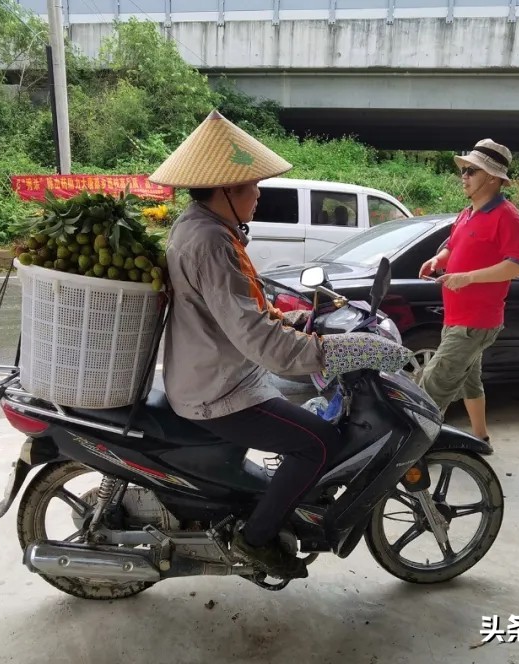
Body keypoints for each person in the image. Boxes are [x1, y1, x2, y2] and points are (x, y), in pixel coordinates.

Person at [148, 110, 347, 579]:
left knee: (304, 411)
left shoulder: (201, 227)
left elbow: (240, 310)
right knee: (320, 443)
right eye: (252, 186)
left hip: (215, 371)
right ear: (225, 191)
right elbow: (256, 338)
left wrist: (299, 318)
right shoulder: (211, 242)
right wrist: (328, 352)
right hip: (219, 389)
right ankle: (256, 540)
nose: (259, 194)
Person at [416, 139, 519, 452]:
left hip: (475, 322)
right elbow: (452, 244)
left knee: (431, 384)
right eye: (463, 170)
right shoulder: (468, 213)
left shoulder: (507, 216)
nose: (463, 176)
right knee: (470, 380)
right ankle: (481, 439)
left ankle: (411, 453)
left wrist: (468, 277)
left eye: (472, 171)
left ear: (492, 178)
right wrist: (439, 259)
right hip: (457, 317)